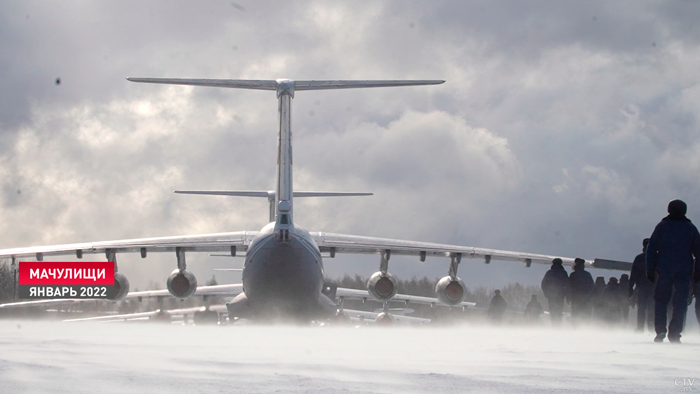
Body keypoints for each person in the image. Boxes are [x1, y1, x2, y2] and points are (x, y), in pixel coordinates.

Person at [646, 199, 700, 343]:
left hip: (664, 270)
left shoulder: (662, 226)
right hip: (684, 270)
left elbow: (651, 250)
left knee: (661, 300)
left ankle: (660, 331)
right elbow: (699, 252)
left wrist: (650, 270)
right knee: (680, 302)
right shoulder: (691, 228)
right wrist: (697, 272)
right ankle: (675, 332)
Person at [629, 238, 654, 332]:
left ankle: (640, 328)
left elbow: (633, 274)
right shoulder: (656, 258)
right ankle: (651, 328)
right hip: (652, 288)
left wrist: (630, 287)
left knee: (641, 309)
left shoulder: (639, 258)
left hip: (642, 287)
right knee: (651, 309)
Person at [541, 258, 570, 326]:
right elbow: (567, 284)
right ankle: (558, 326)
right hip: (560, 296)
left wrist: (547, 294)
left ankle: (554, 325)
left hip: (551, 296)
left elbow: (544, 284)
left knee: (553, 312)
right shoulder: (563, 273)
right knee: (559, 312)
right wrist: (565, 294)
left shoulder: (549, 273)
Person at [569, 258, 594, 325]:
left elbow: (569, 287)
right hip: (586, 299)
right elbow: (591, 287)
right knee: (585, 315)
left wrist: (568, 297)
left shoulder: (573, 275)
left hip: (575, 299)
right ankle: (585, 329)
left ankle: (575, 329)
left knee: (575, 315)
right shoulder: (587, 274)